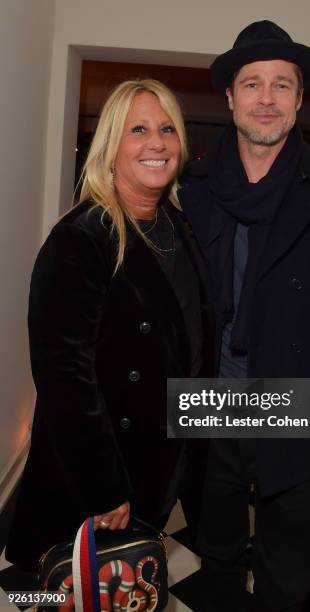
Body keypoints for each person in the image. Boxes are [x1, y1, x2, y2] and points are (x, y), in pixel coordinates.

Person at [178, 20, 310, 612]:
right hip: (213, 394)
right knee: (217, 544)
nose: (267, 98)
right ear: (230, 97)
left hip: (299, 400)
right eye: (253, 84)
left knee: (288, 559)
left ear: (299, 99)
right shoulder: (194, 187)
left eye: (281, 85)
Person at [6, 79, 213, 572]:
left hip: (158, 455)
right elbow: (64, 377)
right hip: (101, 469)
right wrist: (103, 486)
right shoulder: (80, 239)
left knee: (126, 588)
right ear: (111, 146)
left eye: (167, 128)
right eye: (138, 129)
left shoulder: (179, 226)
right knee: (70, 590)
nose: (157, 142)